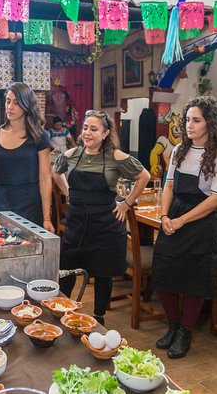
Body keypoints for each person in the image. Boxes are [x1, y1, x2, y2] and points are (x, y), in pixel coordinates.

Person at [151, 96, 217, 359]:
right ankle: (173, 324)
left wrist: (181, 220)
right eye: (188, 119)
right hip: (174, 215)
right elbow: (169, 185)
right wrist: (165, 215)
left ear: (210, 123)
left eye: (196, 120)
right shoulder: (179, 150)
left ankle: (185, 331)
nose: (189, 125)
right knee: (163, 273)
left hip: (202, 221)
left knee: (194, 280)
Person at [53, 110, 151, 325]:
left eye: (93, 129)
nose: (87, 132)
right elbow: (55, 171)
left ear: (106, 133)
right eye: (86, 128)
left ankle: (99, 317)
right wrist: (68, 192)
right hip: (77, 223)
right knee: (67, 269)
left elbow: (144, 176)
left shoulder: (115, 157)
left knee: (103, 272)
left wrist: (126, 203)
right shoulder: (71, 155)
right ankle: (62, 310)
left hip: (105, 225)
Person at [0, 82, 55, 232]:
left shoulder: (40, 136)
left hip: (30, 206)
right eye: (8, 101)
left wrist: (47, 218)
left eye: (16, 103)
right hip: (1, 204)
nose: (10, 107)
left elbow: (45, 178)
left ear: (27, 105)